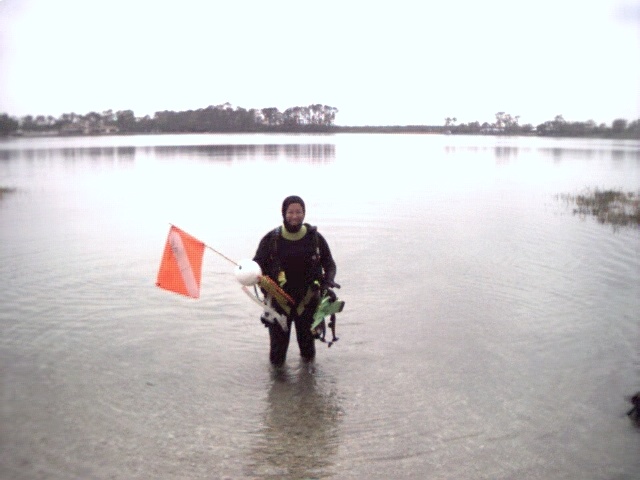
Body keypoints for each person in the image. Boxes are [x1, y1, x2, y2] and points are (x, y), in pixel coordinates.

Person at [253, 195, 338, 367]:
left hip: (307, 303)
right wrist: (249, 274)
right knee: (277, 355)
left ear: (304, 213)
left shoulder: (315, 238)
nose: (294, 216)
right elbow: (256, 265)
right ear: (283, 213)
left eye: (299, 212)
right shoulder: (272, 239)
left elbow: (329, 263)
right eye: (290, 212)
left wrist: (328, 282)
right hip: (279, 304)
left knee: (308, 352)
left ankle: (307, 387)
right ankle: (278, 388)